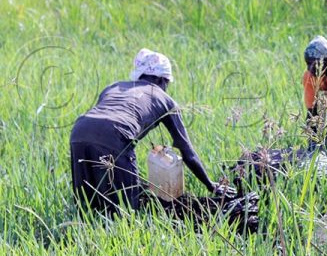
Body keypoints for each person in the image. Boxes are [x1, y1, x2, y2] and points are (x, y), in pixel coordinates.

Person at [70, 48, 231, 216]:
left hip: (79, 130)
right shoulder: (165, 100)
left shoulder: (114, 87)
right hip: (116, 133)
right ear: (162, 79)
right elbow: (187, 152)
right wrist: (210, 185)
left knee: (86, 203)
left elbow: (102, 119)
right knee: (127, 209)